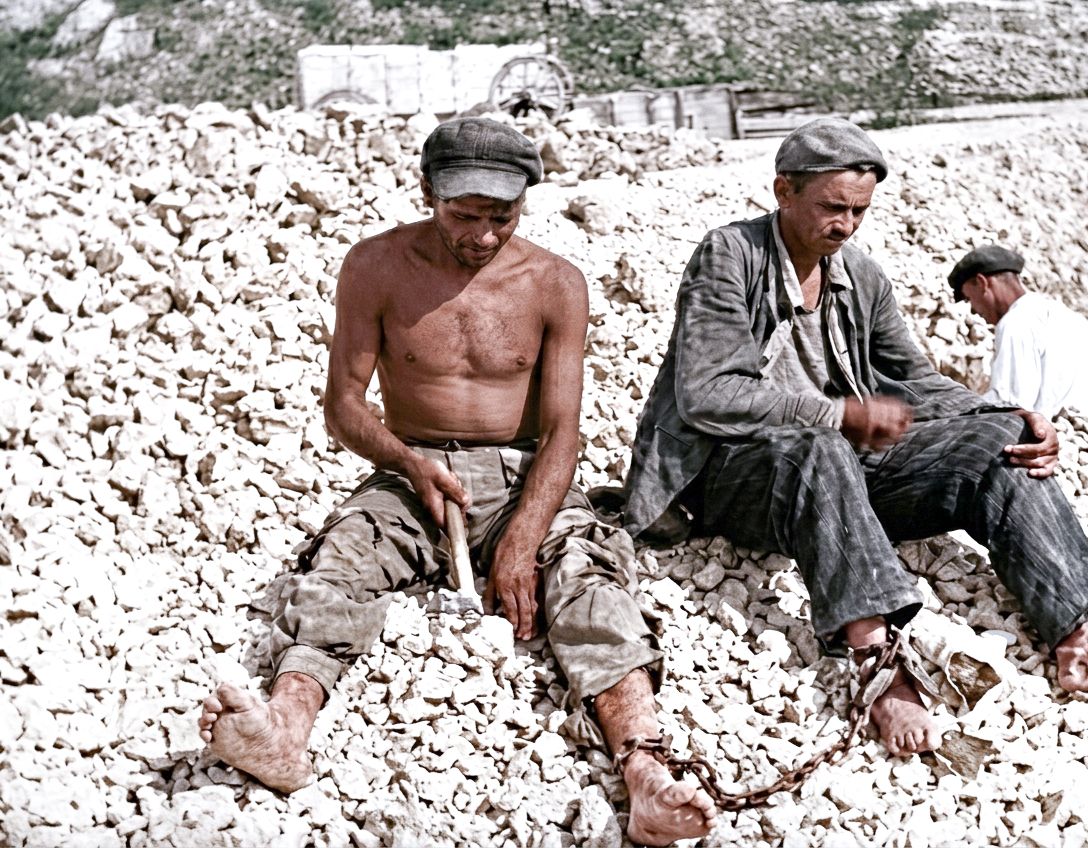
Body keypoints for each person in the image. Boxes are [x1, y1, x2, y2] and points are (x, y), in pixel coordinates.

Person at [197, 118, 715, 846]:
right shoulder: (373, 267)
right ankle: (285, 727)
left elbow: (564, 430)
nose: (481, 236)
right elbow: (345, 407)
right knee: (340, 567)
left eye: (500, 218)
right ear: (427, 193)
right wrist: (410, 465)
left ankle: (646, 771)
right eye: (462, 216)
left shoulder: (555, 283)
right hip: (413, 466)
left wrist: (522, 540)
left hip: (522, 471)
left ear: (526, 205)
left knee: (589, 578)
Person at [624, 118, 1088, 758]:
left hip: (838, 470)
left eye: (859, 210)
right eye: (833, 207)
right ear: (783, 190)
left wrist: (1001, 412)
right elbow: (708, 395)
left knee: (996, 439)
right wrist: (839, 415)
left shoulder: (860, 275)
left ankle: (1079, 641)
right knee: (821, 444)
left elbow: (915, 378)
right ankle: (878, 664)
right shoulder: (729, 256)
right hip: (734, 477)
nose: (847, 224)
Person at [949, 245, 1088, 418]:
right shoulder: (1062, 313)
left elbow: (1009, 404)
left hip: (1057, 433)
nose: (973, 310)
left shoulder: (1015, 322)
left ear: (982, 283)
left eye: (969, 299)